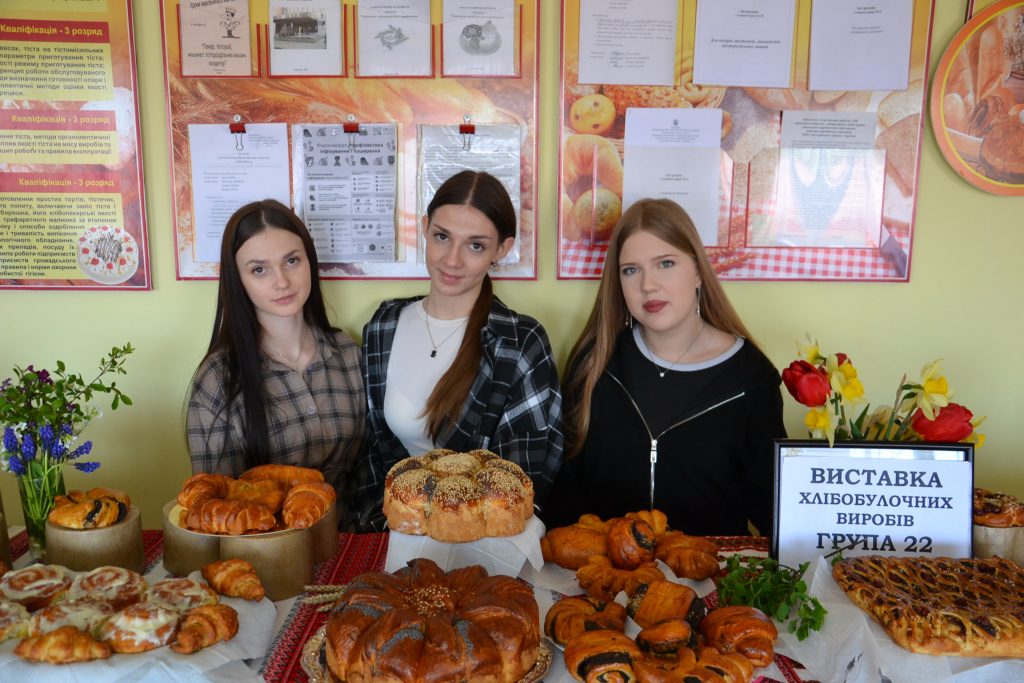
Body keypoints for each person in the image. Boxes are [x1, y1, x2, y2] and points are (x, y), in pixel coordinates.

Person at [546, 198, 785, 538]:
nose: (648, 285)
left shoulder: (752, 379)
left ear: (699, 272)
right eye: (631, 270)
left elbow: (774, 515)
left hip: (714, 569)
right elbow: (564, 505)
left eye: (666, 263)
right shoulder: (594, 363)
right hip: (605, 568)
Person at [354, 170, 563, 531]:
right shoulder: (383, 326)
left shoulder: (520, 342)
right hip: (396, 532)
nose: (452, 260)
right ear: (425, 228)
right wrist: (389, 530)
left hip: (488, 543)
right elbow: (373, 455)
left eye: (475, 245)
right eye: (442, 236)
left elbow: (524, 481)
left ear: (502, 249)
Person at [186, 199, 365, 526]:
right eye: (259, 269)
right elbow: (215, 509)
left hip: (351, 543)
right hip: (263, 549)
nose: (281, 281)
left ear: (309, 261)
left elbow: (366, 474)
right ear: (238, 280)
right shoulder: (217, 380)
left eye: (292, 261)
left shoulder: (349, 354)